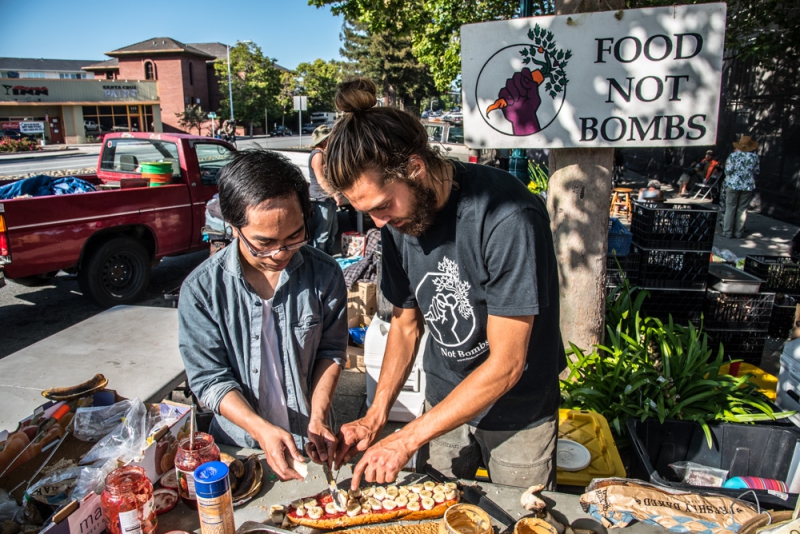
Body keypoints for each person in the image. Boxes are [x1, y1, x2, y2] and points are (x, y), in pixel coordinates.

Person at [325, 78, 565, 490]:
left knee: (520, 513)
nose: (379, 223)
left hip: (519, 412)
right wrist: (376, 413)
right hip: (443, 396)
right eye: (369, 213)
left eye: (383, 206)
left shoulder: (507, 216)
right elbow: (404, 324)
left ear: (415, 168)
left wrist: (407, 437)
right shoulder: (394, 224)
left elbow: (507, 365)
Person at [177, 150, 348, 480]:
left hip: (311, 439)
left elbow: (331, 351)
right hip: (239, 448)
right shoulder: (201, 290)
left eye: (294, 237)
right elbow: (209, 380)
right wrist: (260, 429)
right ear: (233, 226)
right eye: (264, 243)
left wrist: (318, 413)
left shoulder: (325, 275)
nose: (280, 253)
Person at [308, 125, 341, 255]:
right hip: (321, 199)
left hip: (327, 198)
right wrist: (335, 194)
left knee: (332, 231)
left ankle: (329, 257)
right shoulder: (317, 155)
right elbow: (321, 179)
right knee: (323, 234)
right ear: (323, 140)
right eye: (328, 138)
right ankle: (319, 259)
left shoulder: (323, 154)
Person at [723, 135, 760, 239]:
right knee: (742, 210)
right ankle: (738, 233)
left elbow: (728, 171)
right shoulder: (754, 157)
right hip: (747, 186)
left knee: (730, 208)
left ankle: (727, 232)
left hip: (733, 185)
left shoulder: (733, 156)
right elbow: (757, 171)